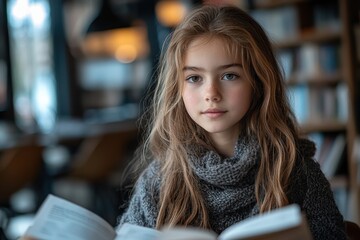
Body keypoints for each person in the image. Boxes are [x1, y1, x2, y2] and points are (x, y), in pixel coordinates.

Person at [118, 4, 347, 240]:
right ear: (178, 89)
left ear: (257, 83)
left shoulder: (295, 170)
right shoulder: (158, 181)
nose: (211, 93)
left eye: (229, 75)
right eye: (194, 78)